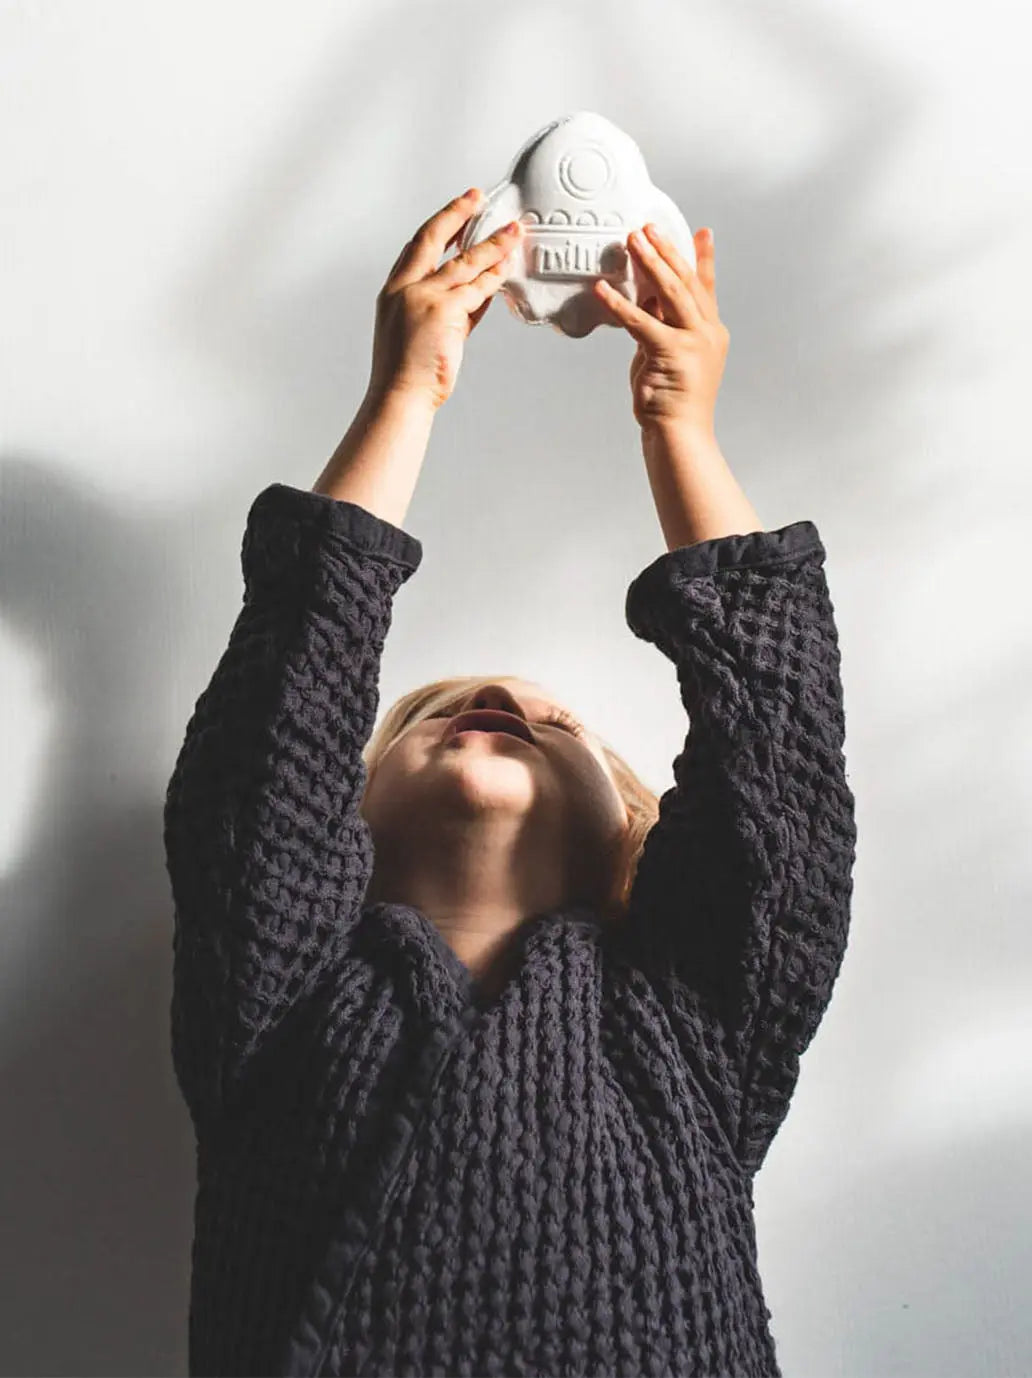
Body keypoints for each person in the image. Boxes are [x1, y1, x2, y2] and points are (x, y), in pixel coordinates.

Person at [164, 186, 858, 1377]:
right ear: (345, 812)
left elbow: (780, 774)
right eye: (426, 715)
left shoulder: (695, 1021)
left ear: (632, 829)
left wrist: (681, 428)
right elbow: (269, 752)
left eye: (559, 723)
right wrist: (403, 396)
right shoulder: (274, 996)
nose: (502, 698)